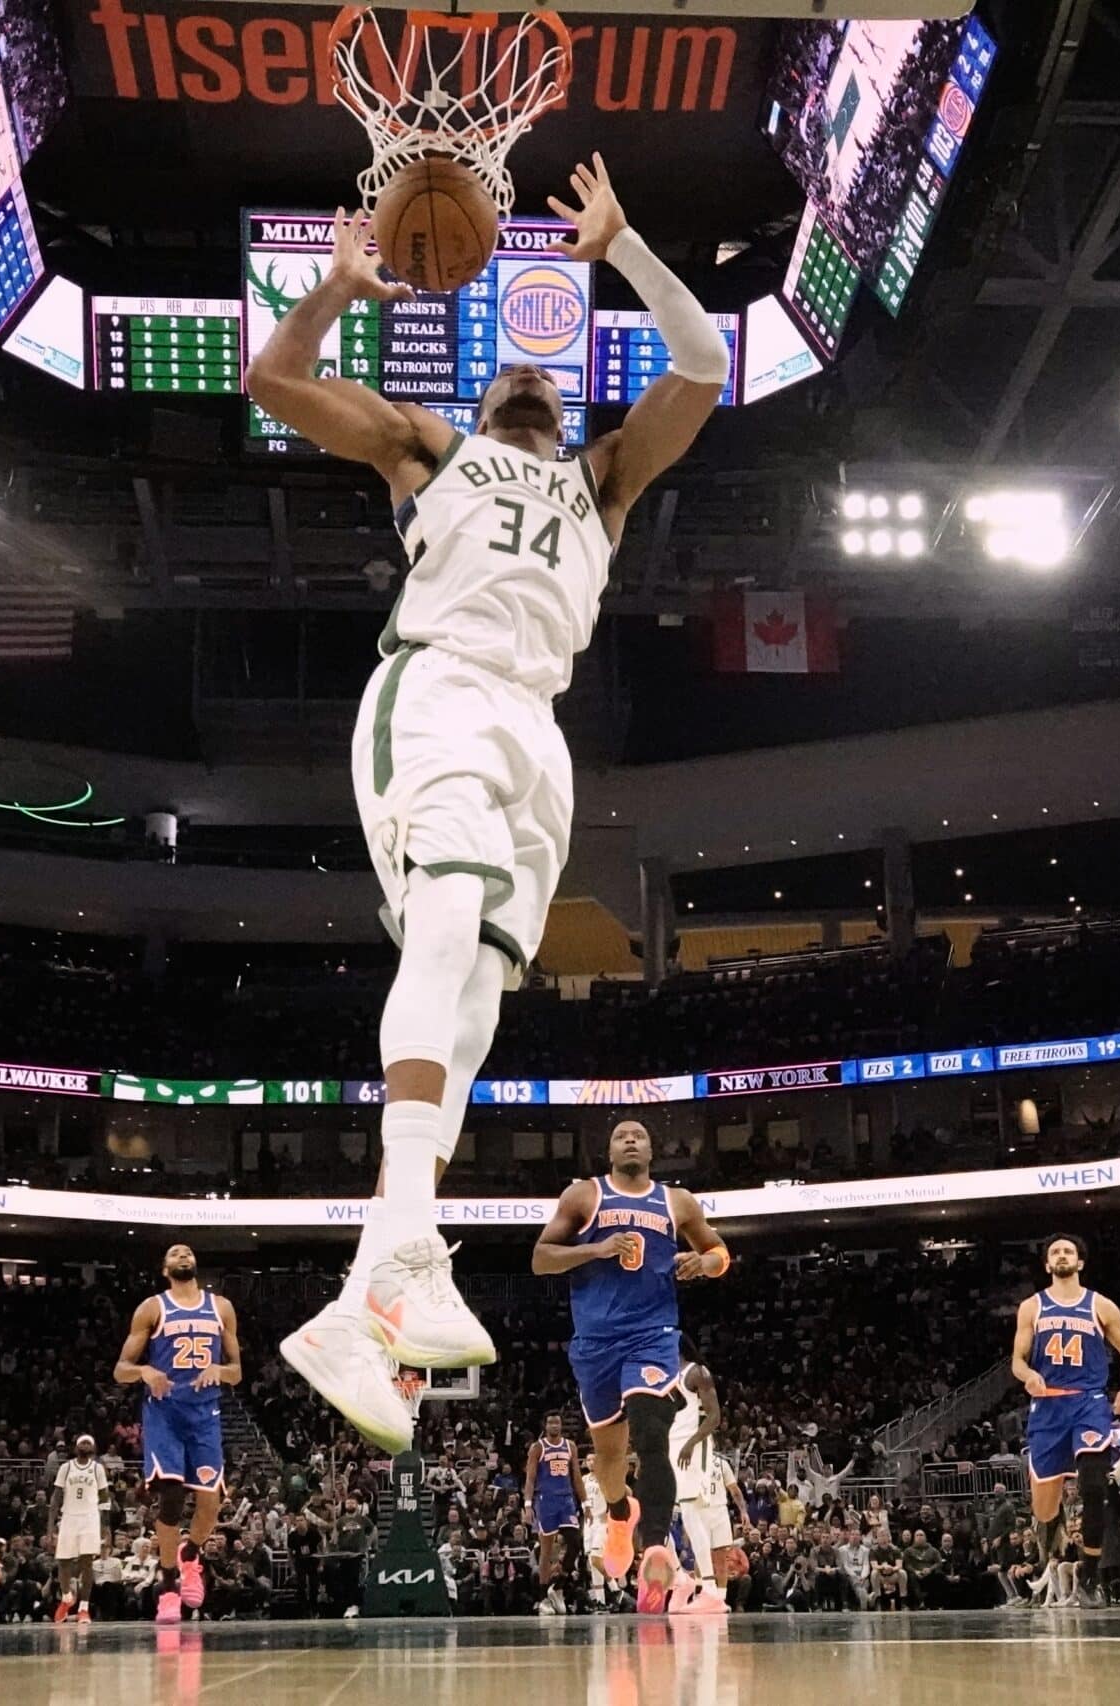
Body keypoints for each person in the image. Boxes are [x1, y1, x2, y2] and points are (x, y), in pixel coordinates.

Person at [250, 156, 726, 1453]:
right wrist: (331, 295)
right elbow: (274, 385)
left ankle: (366, 1294)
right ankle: (406, 1232)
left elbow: (703, 366)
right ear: (481, 390)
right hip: (443, 688)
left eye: (544, 378)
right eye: (510, 374)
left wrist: (623, 246)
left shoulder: (605, 479)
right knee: (447, 910)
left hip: (539, 730)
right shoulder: (430, 446)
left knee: (476, 997)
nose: (528, 380)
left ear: (564, 402)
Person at [531, 1117, 730, 1613]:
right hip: (596, 1341)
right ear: (609, 1150)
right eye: (621, 1135)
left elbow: (720, 1253)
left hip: (653, 1335)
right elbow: (540, 1259)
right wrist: (596, 1248)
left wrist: (702, 1264)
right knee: (609, 1460)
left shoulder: (676, 1201)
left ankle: (657, 1547)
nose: (631, 1139)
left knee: (651, 1428)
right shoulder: (583, 1196)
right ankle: (621, 1513)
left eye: (639, 1135)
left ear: (651, 1150)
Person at [1010, 1234, 1120, 1609]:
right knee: (1044, 1510)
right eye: (1055, 1251)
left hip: (1089, 1402)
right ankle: (1051, 1561)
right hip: (1048, 1408)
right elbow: (1017, 1360)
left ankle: (1089, 1575)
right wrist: (1028, 1376)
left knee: (1092, 1485)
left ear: (1080, 1262)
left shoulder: (1100, 1305)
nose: (1062, 1255)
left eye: (1069, 1251)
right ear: (1047, 1265)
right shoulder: (1032, 1307)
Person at [113, 1243, 243, 1624]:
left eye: (187, 1252)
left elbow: (237, 1371)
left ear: (195, 1264)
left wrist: (220, 1370)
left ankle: (191, 1555)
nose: (183, 1255)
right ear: (165, 1268)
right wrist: (145, 1372)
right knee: (170, 1499)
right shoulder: (152, 1308)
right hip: (165, 1415)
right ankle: (168, 1586)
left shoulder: (221, 1307)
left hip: (205, 1414)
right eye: (174, 1253)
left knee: (209, 1504)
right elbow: (121, 1369)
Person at [668, 1346, 735, 1613]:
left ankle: (709, 1590)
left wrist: (690, 1444)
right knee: (666, 1517)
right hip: (672, 1446)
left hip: (693, 1447)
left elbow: (715, 1417)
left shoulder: (697, 1371)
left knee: (692, 1514)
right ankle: (683, 1580)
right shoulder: (666, 1375)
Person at [523, 1412, 581, 1614]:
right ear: (545, 1425)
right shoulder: (538, 1447)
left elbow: (576, 1476)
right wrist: (528, 1504)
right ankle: (543, 1600)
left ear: (561, 1424)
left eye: (557, 1422)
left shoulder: (570, 1446)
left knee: (575, 1543)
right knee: (546, 1552)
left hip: (566, 1500)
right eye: (551, 1422)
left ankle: (557, 1587)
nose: (554, 1425)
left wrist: (587, 1503)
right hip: (545, 1500)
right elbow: (530, 1478)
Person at [51, 1433, 110, 1623]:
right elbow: (56, 1497)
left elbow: (104, 1498)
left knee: (86, 1563)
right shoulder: (66, 1468)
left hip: (90, 1518)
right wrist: (50, 1525)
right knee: (63, 1561)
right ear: (76, 1447)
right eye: (82, 1442)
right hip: (69, 1516)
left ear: (93, 1448)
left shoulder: (97, 1469)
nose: (85, 1445)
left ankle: (84, 1608)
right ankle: (67, 1598)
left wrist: (105, 1526)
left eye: (88, 1442)